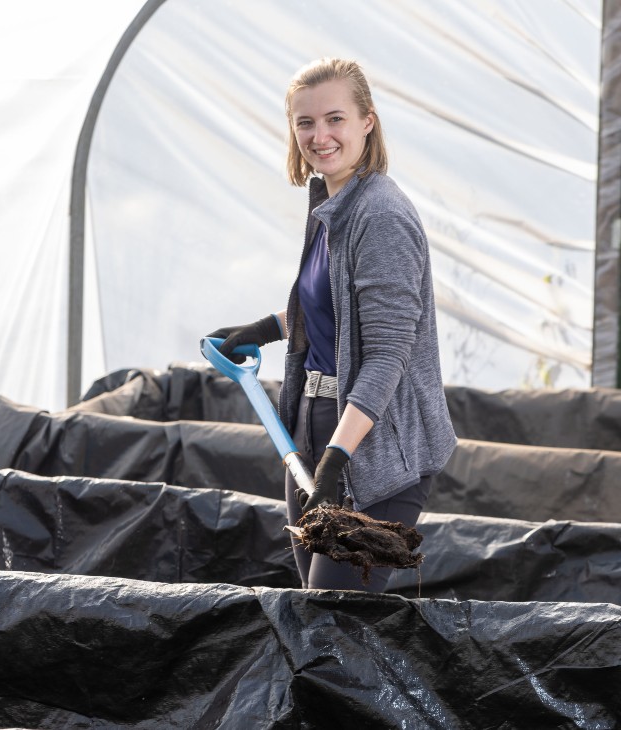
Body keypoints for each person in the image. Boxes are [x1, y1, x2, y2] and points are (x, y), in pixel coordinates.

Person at [206, 57, 456, 592]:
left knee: (333, 614)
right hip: (314, 423)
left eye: (335, 119)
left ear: (368, 121)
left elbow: (387, 353)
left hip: (374, 442)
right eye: (306, 123)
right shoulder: (333, 203)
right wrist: (265, 329)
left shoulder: (380, 215)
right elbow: (338, 312)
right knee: (316, 613)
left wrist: (338, 458)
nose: (320, 137)